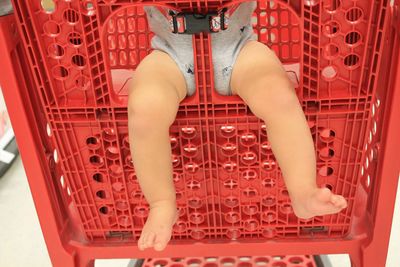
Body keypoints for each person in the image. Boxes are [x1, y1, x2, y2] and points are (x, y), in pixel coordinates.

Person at [128, 1, 347, 252]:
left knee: (278, 95)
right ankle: (161, 203)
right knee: (144, 109)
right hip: (168, 56)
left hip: (239, 49)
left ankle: (303, 192)